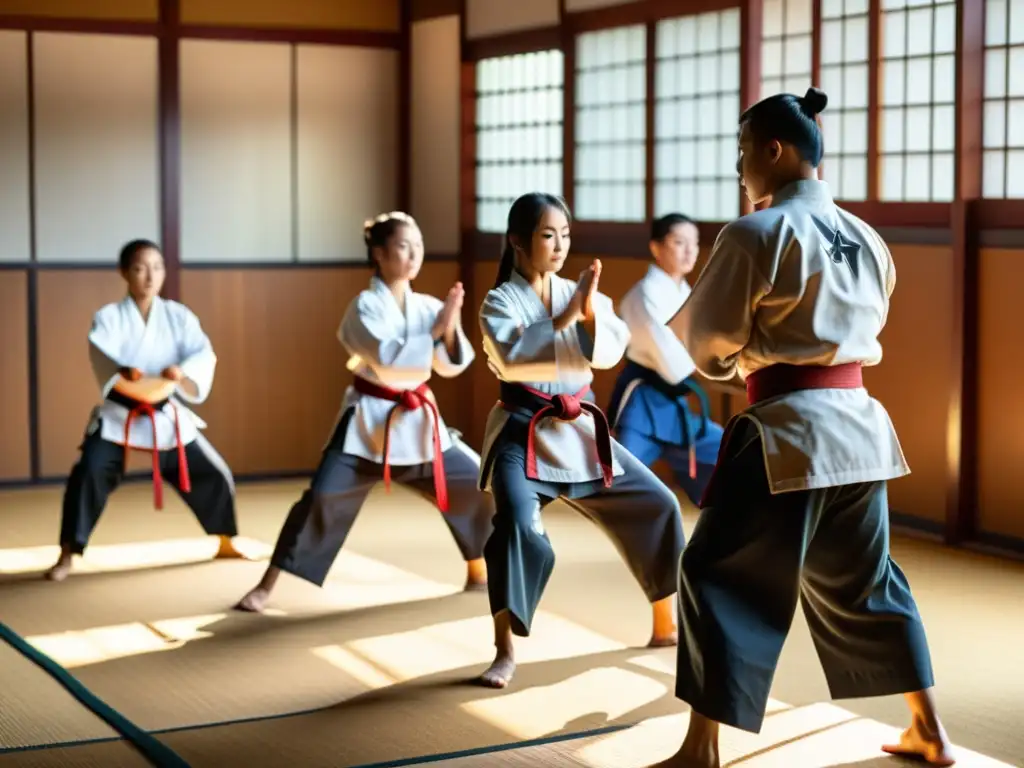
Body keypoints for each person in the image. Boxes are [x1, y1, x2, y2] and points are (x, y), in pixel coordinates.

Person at [647, 88, 954, 768]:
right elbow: (865, 326)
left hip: (788, 434)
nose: (740, 168)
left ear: (774, 150)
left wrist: (744, 360)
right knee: (866, 581)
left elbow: (710, 343)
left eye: (742, 153)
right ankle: (929, 728)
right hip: (863, 430)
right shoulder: (869, 236)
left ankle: (701, 746)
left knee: (715, 572)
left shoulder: (756, 232)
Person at [475, 192, 686, 689]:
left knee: (658, 504)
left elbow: (608, 351)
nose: (559, 245)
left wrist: (586, 314)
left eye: (565, 234)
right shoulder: (500, 300)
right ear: (518, 241)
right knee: (513, 529)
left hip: (582, 431)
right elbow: (511, 357)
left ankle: (664, 621)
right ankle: (504, 651)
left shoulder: (581, 291)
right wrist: (567, 317)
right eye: (548, 235)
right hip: (523, 431)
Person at [234, 212, 493, 613]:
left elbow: (449, 364)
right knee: (321, 498)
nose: (413, 254)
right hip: (369, 422)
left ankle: (477, 569)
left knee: (474, 483)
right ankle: (267, 585)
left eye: (418, 246)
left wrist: (451, 326)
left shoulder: (427, 305)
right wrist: (436, 330)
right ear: (379, 253)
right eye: (403, 246)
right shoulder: (364, 306)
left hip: (419, 423)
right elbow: (388, 359)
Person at [45, 239, 243, 582]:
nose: (150, 276)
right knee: (88, 472)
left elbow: (202, 352)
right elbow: (102, 353)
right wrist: (123, 370)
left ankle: (226, 540)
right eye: (140, 268)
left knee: (213, 471)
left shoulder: (178, 316)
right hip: (120, 413)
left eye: (157, 267)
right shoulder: (108, 317)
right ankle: (67, 554)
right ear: (124, 272)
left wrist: (181, 372)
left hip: (164, 411)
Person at [606, 213, 723, 507]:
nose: (689, 251)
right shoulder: (645, 294)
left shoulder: (685, 291)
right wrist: (711, 359)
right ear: (657, 247)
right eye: (679, 242)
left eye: (694, 244)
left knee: (726, 450)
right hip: (642, 402)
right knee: (619, 482)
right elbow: (674, 367)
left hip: (675, 408)